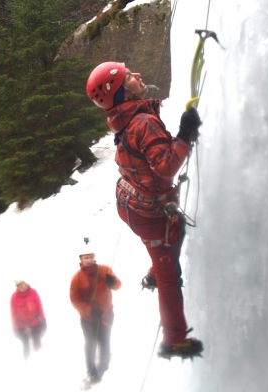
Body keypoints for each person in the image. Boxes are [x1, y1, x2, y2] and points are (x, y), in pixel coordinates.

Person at [85, 62, 203, 359]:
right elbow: (165, 168)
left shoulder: (124, 117)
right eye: (129, 77)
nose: (138, 75)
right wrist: (185, 135)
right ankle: (174, 340)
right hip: (146, 214)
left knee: (172, 236)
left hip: (131, 204)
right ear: (122, 92)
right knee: (169, 276)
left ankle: (155, 266)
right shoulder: (142, 123)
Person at [69, 242, 122, 391]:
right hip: (88, 320)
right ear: (81, 260)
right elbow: (75, 299)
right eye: (86, 257)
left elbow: (118, 285)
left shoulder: (105, 270)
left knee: (104, 341)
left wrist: (113, 282)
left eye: (91, 257)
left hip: (106, 315)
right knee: (90, 344)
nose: (89, 260)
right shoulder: (77, 278)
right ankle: (92, 372)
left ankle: (104, 368)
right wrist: (89, 310)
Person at [10, 279, 47, 359]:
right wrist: (14, 327)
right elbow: (13, 313)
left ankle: (39, 360)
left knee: (37, 343)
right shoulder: (14, 297)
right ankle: (26, 363)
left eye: (22, 284)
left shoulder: (33, 292)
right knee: (26, 346)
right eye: (19, 285)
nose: (21, 286)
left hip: (35, 323)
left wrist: (43, 320)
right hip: (22, 326)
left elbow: (39, 307)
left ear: (26, 283)